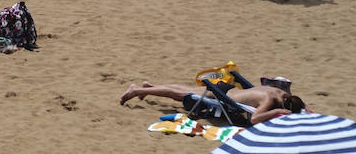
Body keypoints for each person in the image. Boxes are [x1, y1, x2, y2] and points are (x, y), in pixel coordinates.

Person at [119, 78, 306, 124]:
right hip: (219, 97)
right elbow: (254, 119)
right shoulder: (271, 100)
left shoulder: (280, 91)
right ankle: (137, 90)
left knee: (182, 89)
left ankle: (148, 88)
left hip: (227, 89)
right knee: (179, 94)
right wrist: (275, 112)